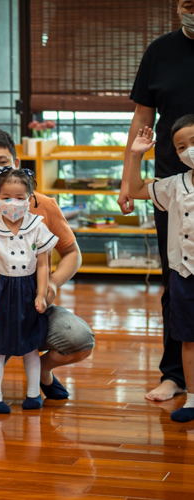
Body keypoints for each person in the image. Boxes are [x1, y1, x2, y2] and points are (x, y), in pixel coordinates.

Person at [0, 128, 95, 408]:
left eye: (1, 162)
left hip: (34, 309)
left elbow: (72, 253)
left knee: (79, 339)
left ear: (15, 162)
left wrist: (53, 283)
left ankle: (43, 374)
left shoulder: (43, 206)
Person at [118, 0, 194, 402]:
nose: (191, 10)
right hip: (172, 184)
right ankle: (174, 375)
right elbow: (142, 118)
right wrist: (126, 180)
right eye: (186, 4)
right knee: (177, 282)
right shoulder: (159, 51)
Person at [0, 168, 57, 413]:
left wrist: (41, 294)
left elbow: (43, 264)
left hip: (28, 291)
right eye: (7, 197)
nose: (13, 203)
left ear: (29, 199)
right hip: (0, 292)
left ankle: (33, 394)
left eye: (19, 197)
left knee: (30, 344)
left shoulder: (38, 226)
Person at [127, 117, 194, 422]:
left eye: (193, 142)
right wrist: (135, 154)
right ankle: (192, 398)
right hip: (184, 274)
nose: (189, 150)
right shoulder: (174, 185)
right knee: (187, 338)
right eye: (182, 146)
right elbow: (137, 189)